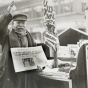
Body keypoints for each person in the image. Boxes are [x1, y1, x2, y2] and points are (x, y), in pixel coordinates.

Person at [0, 2, 39, 88]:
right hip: (10, 75)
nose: (21, 25)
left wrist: (40, 65)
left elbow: (37, 56)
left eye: (23, 23)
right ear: (13, 24)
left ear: (26, 24)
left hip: (26, 76)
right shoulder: (6, 36)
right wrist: (8, 16)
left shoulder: (30, 37)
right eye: (18, 23)